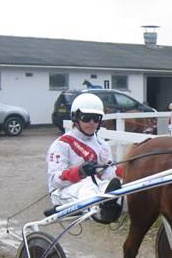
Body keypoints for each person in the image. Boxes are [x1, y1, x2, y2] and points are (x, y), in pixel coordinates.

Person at [46, 93, 123, 224]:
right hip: (63, 192)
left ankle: (111, 209)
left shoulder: (103, 145)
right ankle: (100, 213)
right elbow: (54, 180)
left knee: (120, 186)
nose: (92, 122)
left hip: (95, 186)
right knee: (87, 187)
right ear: (75, 118)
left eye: (96, 118)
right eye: (86, 117)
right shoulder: (61, 144)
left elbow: (107, 175)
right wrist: (80, 172)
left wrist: (126, 170)